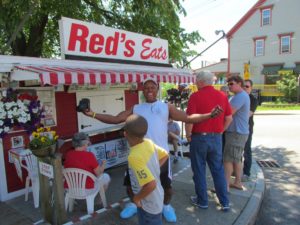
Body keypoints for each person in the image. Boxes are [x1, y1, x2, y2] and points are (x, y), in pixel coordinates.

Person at [82, 77, 222, 222]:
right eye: (146, 87)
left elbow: (189, 117)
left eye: (152, 87)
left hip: (160, 155)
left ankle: (166, 206)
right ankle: (135, 203)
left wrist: (209, 115)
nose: (149, 90)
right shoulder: (136, 108)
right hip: (139, 156)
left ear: (157, 89)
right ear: (143, 90)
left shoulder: (166, 107)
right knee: (131, 187)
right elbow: (116, 119)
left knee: (167, 188)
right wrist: (92, 114)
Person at [185, 71, 232, 212]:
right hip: (216, 138)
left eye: (196, 80)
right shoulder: (222, 96)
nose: (195, 83)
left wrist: (188, 136)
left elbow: (190, 119)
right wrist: (220, 131)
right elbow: (229, 118)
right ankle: (225, 202)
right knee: (217, 170)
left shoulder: (195, 96)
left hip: (199, 138)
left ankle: (202, 201)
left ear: (200, 81)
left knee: (199, 170)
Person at [123, 114, 169, 225]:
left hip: (148, 204)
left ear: (125, 134)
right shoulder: (148, 142)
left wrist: (136, 199)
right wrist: (154, 169)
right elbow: (165, 155)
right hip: (156, 197)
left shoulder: (134, 157)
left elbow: (150, 185)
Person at [223, 75, 250, 191]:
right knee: (236, 159)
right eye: (228, 84)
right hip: (239, 132)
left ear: (239, 83)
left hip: (236, 132)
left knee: (228, 159)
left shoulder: (240, 96)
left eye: (231, 84)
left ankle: (225, 185)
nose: (229, 86)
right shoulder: (239, 96)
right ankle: (237, 182)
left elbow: (229, 113)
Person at [242, 79, 258, 181]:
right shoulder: (238, 97)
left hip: (247, 128)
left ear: (251, 88)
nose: (244, 88)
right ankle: (237, 170)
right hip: (237, 129)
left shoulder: (252, 99)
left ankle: (246, 172)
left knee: (246, 150)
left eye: (247, 86)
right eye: (243, 86)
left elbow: (249, 113)